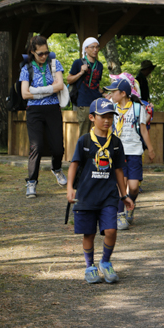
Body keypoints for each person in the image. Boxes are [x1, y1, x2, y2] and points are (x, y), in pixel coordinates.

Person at [66, 98, 134, 284]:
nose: (107, 120)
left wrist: (124, 195)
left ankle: (105, 261)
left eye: (110, 116)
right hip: (86, 196)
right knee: (89, 233)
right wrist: (70, 188)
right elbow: (74, 165)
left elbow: (119, 170)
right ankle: (90, 266)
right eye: (102, 116)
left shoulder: (116, 143)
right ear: (92, 117)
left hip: (108, 196)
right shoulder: (84, 140)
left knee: (111, 230)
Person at [20, 35, 67, 198]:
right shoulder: (26, 68)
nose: (44, 56)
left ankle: (57, 168)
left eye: (46, 52)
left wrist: (36, 91)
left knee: (58, 147)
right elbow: (24, 94)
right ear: (32, 52)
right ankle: (31, 182)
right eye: (40, 53)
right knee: (36, 146)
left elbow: (60, 85)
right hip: (34, 111)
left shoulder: (55, 64)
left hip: (53, 108)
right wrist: (49, 89)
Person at [105, 78, 155, 230]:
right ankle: (120, 215)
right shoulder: (111, 108)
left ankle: (130, 204)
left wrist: (151, 149)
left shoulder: (138, 108)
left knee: (133, 188)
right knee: (121, 184)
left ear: (123, 93)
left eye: (114, 92)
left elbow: (143, 130)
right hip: (118, 151)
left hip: (134, 151)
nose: (111, 94)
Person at [67, 37, 104, 137]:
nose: (95, 50)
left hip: (96, 103)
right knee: (84, 133)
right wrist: (81, 72)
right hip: (83, 102)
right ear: (86, 49)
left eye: (97, 47)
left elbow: (96, 84)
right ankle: (83, 152)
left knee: (98, 132)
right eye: (92, 47)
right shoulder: (78, 63)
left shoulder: (99, 65)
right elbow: (69, 79)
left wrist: (105, 94)